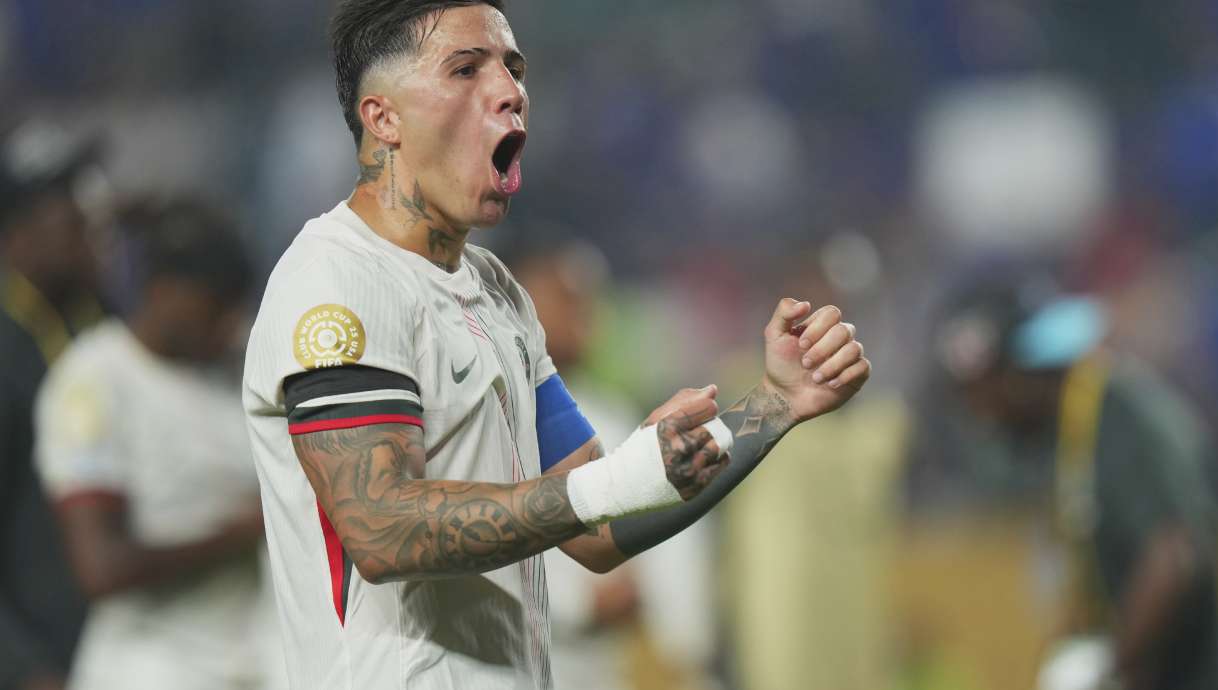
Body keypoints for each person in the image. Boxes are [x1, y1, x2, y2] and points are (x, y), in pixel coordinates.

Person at [242, 2, 872, 688]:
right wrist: (612, 482)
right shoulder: (337, 280)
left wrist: (775, 405)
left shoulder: (498, 294)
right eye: (465, 68)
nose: (510, 89)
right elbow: (382, 528)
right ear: (384, 118)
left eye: (513, 68)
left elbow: (597, 530)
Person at [35, 201, 281, 690]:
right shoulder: (97, 378)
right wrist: (239, 532)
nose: (228, 326)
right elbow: (100, 566)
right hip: (150, 664)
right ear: (165, 291)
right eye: (214, 308)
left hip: (250, 657)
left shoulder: (232, 369)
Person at [932, 279, 1218, 690]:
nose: (982, 415)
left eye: (987, 391)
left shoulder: (1122, 415)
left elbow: (1174, 558)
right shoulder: (1067, 431)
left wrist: (1110, 669)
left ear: (1021, 371)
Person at [503, 231, 720, 690]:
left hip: (614, 664)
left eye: (586, 299)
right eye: (562, 296)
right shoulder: (492, 414)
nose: (581, 313)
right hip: (525, 658)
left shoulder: (615, 413)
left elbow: (674, 540)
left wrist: (678, 638)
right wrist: (579, 604)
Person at [0, 121, 107, 690]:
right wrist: (21, 668)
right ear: (15, 234)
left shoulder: (103, 320)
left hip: (120, 651)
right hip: (43, 661)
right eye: (63, 209)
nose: (86, 223)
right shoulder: (8, 349)